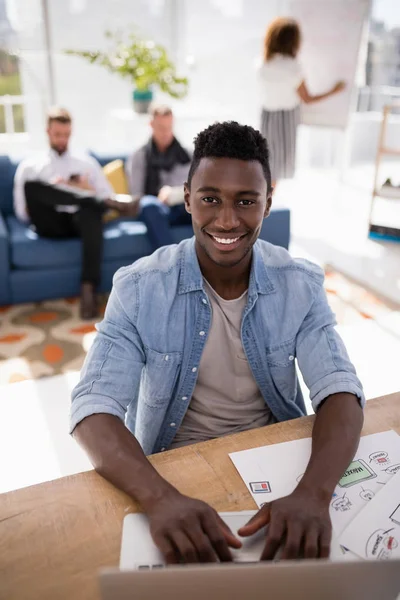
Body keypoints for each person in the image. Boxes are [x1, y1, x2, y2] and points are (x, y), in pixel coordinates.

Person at [70, 121, 364, 564]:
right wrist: (160, 499)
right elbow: (93, 408)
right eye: (210, 199)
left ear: (269, 201)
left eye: (246, 201)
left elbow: (339, 389)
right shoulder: (139, 288)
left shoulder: (299, 283)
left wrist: (313, 494)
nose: (227, 221)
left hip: (276, 463)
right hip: (170, 469)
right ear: (187, 197)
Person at [13, 107, 138, 319]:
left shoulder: (85, 162)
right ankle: (76, 196)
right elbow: (22, 213)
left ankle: (88, 290)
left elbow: (107, 198)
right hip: (49, 222)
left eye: (66, 134)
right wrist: (54, 192)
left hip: (81, 221)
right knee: (34, 186)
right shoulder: (30, 166)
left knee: (92, 209)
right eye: (57, 134)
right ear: (47, 132)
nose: (62, 139)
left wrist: (83, 189)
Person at [258, 17, 346, 187]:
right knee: (275, 172)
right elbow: (308, 99)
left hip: (267, 116)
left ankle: (262, 207)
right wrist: (334, 91)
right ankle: (265, 208)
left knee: (267, 168)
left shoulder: (263, 64)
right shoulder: (293, 67)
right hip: (285, 119)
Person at [126, 103, 193, 250]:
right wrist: (159, 200)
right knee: (149, 205)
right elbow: (137, 196)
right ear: (151, 125)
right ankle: (171, 263)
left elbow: (199, 187)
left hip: (185, 206)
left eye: (169, 128)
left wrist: (174, 194)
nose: (166, 133)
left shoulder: (188, 155)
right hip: (159, 210)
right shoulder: (140, 156)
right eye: (161, 128)